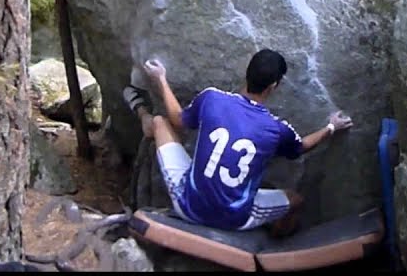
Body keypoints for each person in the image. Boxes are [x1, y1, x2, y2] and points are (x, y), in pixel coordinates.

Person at [123, 49, 353, 235]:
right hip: (234, 219)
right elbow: (300, 147)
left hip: (188, 205)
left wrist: (161, 78)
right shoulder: (275, 129)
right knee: (296, 201)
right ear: (273, 86)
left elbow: (179, 120)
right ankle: (274, 243)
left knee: (160, 123)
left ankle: (143, 115)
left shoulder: (212, 98)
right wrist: (331, 127)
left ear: (247, 74)